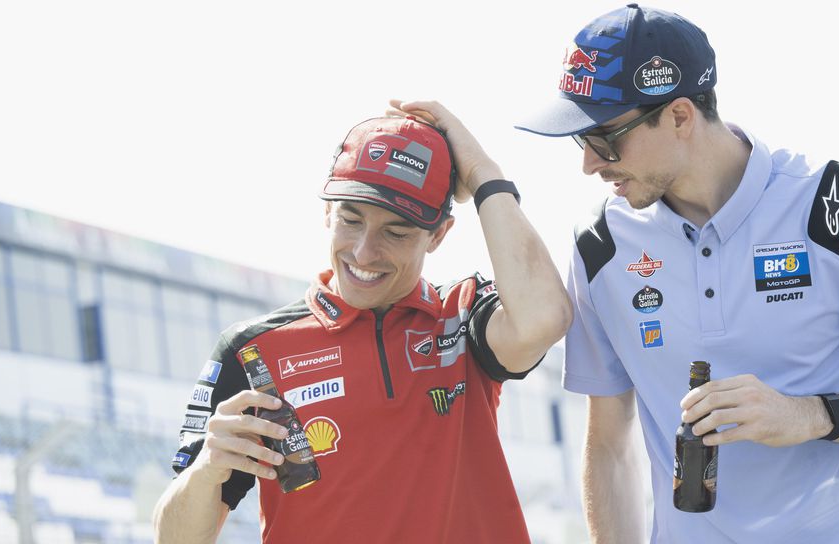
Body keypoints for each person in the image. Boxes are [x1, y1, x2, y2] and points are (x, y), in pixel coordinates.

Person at [515, 4, 839, 543]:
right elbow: (609, 445)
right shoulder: (598, 244)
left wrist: (810, 416)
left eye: (604, 138)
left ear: (680, 116)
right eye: (579, 140)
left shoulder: (838, 203)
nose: (589, 163)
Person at [152, 105, 572, 543]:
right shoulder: (252, 350)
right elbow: (175, 540)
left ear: (439, 234)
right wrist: (207, 469)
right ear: (326, 212)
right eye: (351, 220)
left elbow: (545, 318)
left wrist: (484, 173)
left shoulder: (462, 315)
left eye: (396, 232)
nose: (364, 252)